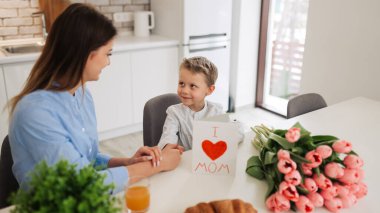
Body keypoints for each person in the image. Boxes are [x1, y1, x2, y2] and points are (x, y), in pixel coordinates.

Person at [8, 3, 181, 194]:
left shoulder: (82, 94)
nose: (108, 62)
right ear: (86, 55)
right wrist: (158, 164)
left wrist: (126, 162)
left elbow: (87, 160)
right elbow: (82, 185)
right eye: (107, 54)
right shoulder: (35, 113)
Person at [157, 56, 225, 151]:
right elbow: (168, 137)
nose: (184, 91)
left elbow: (236, 133)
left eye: (192, 86)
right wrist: (168, 147)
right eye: (181, 84)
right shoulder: (174, 112)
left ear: (209, 90)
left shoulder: (216, 111)